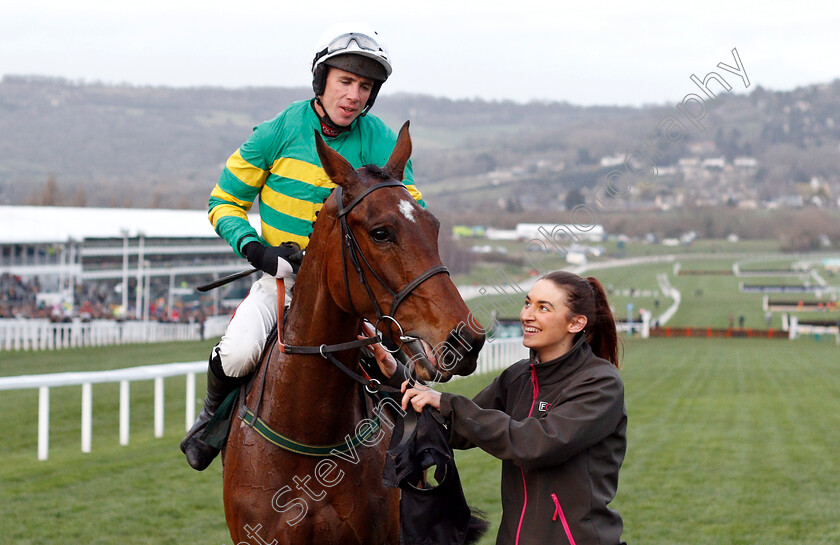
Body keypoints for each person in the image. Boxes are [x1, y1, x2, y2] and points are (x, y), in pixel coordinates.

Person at [180, 23, 425, 471]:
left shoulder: (381, 139)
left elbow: (410, 211)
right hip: (283, 282)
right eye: (345, 82)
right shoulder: (278, 130)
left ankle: (417, 459)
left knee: (407, 361)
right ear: (322, 81)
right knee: (236, 352)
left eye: (364, 87)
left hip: (355, 293)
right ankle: (211, 421)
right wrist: (257, 250)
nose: (353, 95)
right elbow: (224, 201)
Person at [368, 271, 627, 545]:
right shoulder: (517, 377)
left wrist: (449, 402)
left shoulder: (600, 382)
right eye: (528, 303)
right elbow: (453, 430)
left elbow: (537, 444)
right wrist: (397, 376)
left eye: (543, 308)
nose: (527, 315)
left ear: (576, 323)